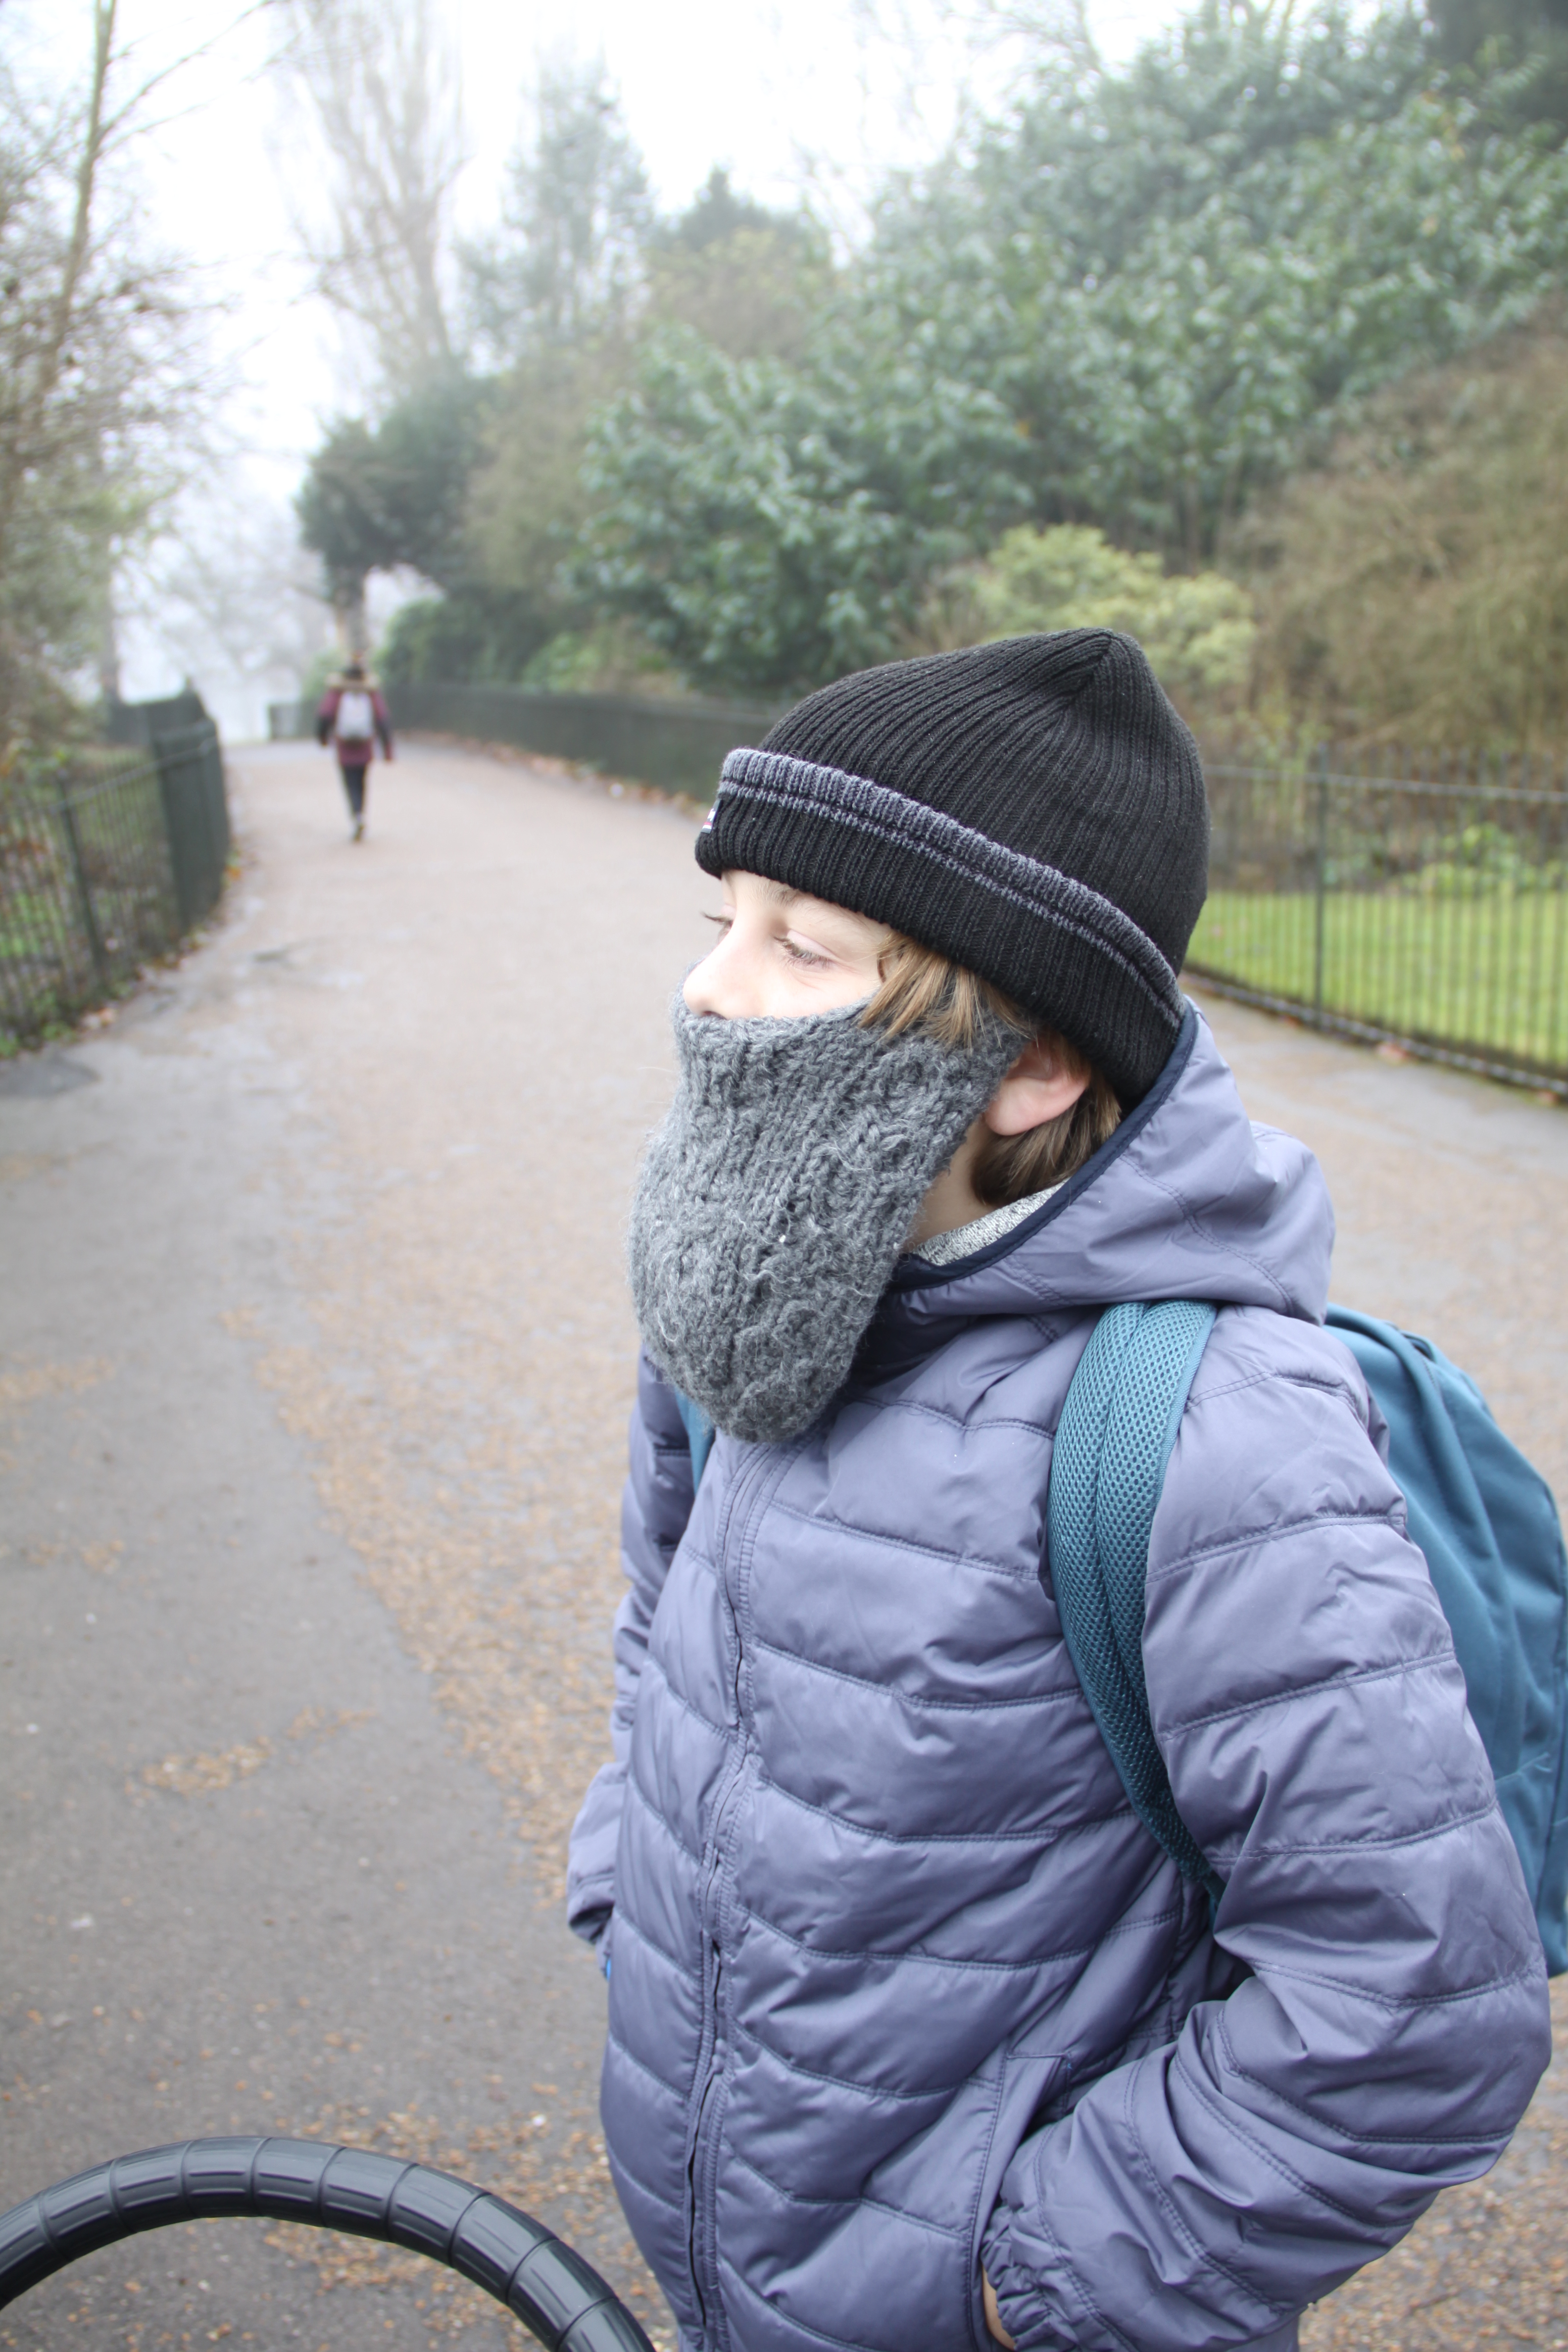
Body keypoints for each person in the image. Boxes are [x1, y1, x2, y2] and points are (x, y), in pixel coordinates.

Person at [567, 634, 1551, 2352]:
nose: (711, 987)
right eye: (721, 918)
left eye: (801, 943)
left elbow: (1411, 2004)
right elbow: (666, 1616)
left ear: (1032, 1064)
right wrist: (626, 1890)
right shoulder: (746, 1286)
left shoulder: (1212, 1438)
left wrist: (1032, 2289)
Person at [315, 657, 393, 839]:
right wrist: (387, 749)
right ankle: (361, 813)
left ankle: (355, 814)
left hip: (344, 748)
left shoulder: (337, 692)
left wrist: (323, 739)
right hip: (365, 748)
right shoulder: (370, 692)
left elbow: (325, 716)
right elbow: (383, 719)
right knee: (362, 782)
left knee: (350, 783)